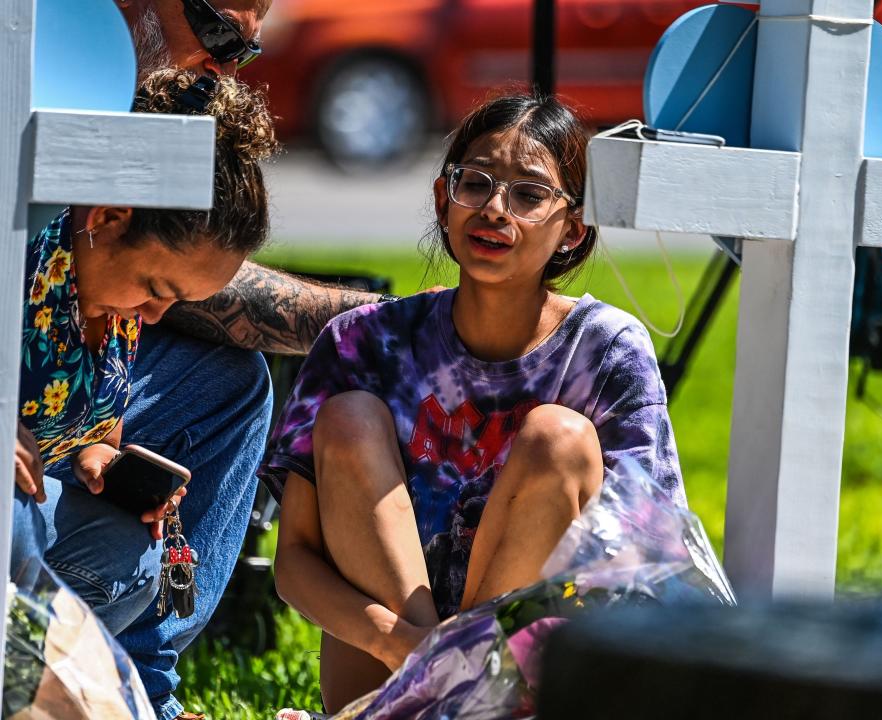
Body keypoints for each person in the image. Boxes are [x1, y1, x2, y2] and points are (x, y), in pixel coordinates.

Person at [262, 94, 687, 713]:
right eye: (477, 183)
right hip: (383, 675)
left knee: (557, 440)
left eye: (528, 194)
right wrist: (414, 648)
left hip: (526, 686)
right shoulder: (361, 344)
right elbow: (294, 562)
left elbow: (645, 561)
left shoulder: (607, 351)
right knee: (349, 417)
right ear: (442, 198)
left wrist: (482, 663)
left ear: (574, 227)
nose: (494, 209)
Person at [13, 66, 279, 720]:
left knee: (132, 556)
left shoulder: (113, 290)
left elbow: (96, 419)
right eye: (158, 288)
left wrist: (99, 457)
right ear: (105, 217)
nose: (159, 316)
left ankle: (131, 687)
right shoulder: (16, 253)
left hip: (32, 504)